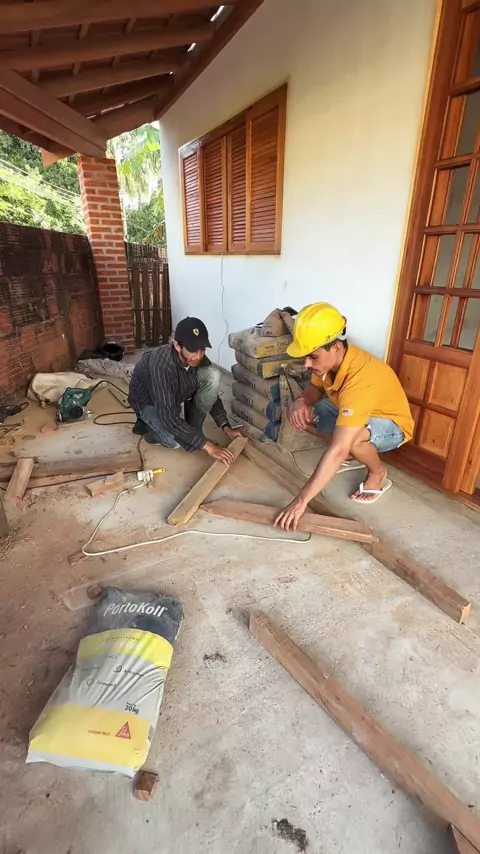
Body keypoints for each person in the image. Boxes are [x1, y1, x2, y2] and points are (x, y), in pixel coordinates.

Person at [274, 302, 414, 531]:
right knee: (304, 413)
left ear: (336, 348)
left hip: (392, 425)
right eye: (306, 357)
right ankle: (352, 449)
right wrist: (301, 401)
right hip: (356, 410)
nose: (307, 364)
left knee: (350, 440)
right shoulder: (329, 363)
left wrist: (301, 501)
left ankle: (378, 473)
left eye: (313, 357)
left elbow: (337, 449)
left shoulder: (360, 378)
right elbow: (315, 388)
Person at [128, 317, 243, 466]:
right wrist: (209, 447)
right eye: (192, 350)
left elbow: (211, 392)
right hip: (149, 402)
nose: (198, 356)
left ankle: (192, 431)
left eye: (202, 349)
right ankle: (149, 430)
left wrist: (226, 427)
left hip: (173, 393)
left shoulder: (197, 357)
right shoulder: (160, 366)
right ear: (177, 346)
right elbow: (168, 416)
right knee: (173, 441)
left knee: (212, 375)